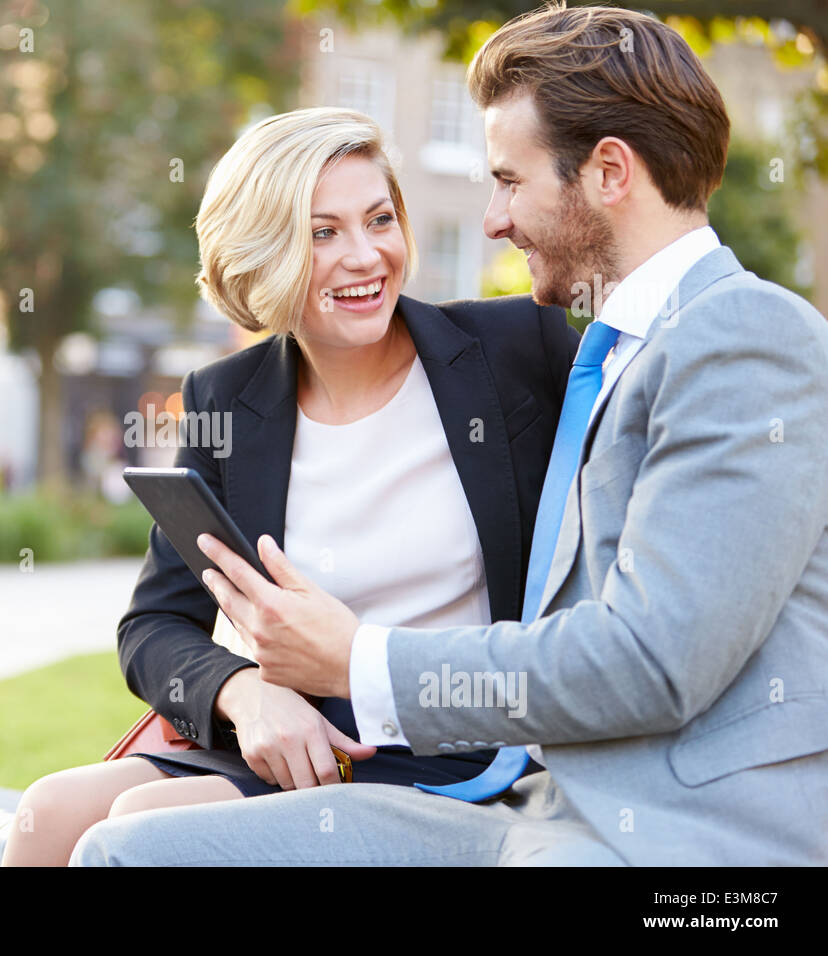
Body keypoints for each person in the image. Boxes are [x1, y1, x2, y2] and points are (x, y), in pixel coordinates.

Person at [70, 2, 828, 867]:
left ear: (609, 172)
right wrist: (244, 688)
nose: (493, 221)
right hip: (541, 803)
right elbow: (157, 623)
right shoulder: (619, 352)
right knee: (120, 850)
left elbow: (652, 662)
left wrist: (358, 660)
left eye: (509, 181)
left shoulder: (741, 338)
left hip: (680, 840)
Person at [0, 105, 577, 866]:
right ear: (266, 253)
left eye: (379, 219)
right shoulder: (225, 399)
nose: (366, 256)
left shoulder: (514, 350)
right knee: (45, 814)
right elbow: (152, 627)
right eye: (323, 232)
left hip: (444, 742)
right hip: (285, 737)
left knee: (138, 822)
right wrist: (244, 694)